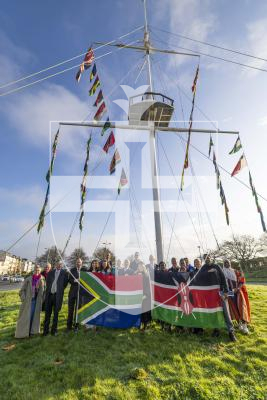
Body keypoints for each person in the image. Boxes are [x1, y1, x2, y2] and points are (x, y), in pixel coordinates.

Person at [200, 255, 236, 342]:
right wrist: (208, 272)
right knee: (214, 311)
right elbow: (200, 278)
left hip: (221, 292)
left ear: (210, 258)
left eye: (208, 257)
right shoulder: (203, 268)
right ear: (203, 260)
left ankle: (231, 331)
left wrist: (226, 291)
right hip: (210, 295)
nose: (207, 259)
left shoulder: (216, 266)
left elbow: (223, 278)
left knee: (225, 311)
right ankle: (216, 329)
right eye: (205, 258)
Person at [15, 265, 45, 338]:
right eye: (35, 270)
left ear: (40, 271)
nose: (37, 271)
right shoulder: (28, 279)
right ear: (33, 270)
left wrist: (42, 300)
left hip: (36, 301)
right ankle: (23, 333)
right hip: (28, 301)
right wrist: (24, 299)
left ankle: (32, 331)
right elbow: (22, 290)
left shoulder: (42, 280)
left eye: (38, 270)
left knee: (34, 317)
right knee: (26, 317)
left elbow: (44, 292)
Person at [222, 260, 250, 334]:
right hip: (229, 294)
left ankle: (245, 326)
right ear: (223, 264)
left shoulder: (236, 271)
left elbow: (241, 280)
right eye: (225, 263)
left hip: (237, 293)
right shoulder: (222, 273)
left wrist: (237, 288)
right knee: (233, 309)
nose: (227, 264)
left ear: (230, 263)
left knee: (241, 308)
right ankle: (239, 324)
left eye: (228, 262)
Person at [43, 261, 68, 336]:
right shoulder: (51, 272)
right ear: (56, 264)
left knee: (56, 314)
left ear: (62, 265)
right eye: (58, 264)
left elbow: (65, 284)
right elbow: (47, 282)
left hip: (57, 296)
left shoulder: (64, 273)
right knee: (47, 314)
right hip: (49, 295)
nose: (59, 265)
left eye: (61, 264)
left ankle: (54, 331)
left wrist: (59, 290)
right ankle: (45, 331)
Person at [67, 258, 83, 331]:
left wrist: (81, 281)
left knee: (78, 310)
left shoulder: (84, 270)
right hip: (72, 292)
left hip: (80, 293)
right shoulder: (72, 270)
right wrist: (74, 280)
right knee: (70, 310)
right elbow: (69, 280)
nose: (78, 263)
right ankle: (69, 326)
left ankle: (76, 325)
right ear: (75, 263)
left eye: (79, 262)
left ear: (81, 263)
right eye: (77, 262)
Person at [135, 262, 152, 331]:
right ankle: (139, 325)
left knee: (145, 311)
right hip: (138, 295)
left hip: (145, 295)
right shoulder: (137, 274)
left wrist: (146, 295)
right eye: (139, 266)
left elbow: (148, 286)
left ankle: (145, 326)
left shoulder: (147, 275)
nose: (140, 267)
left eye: (142, 266)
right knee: (139, 311)